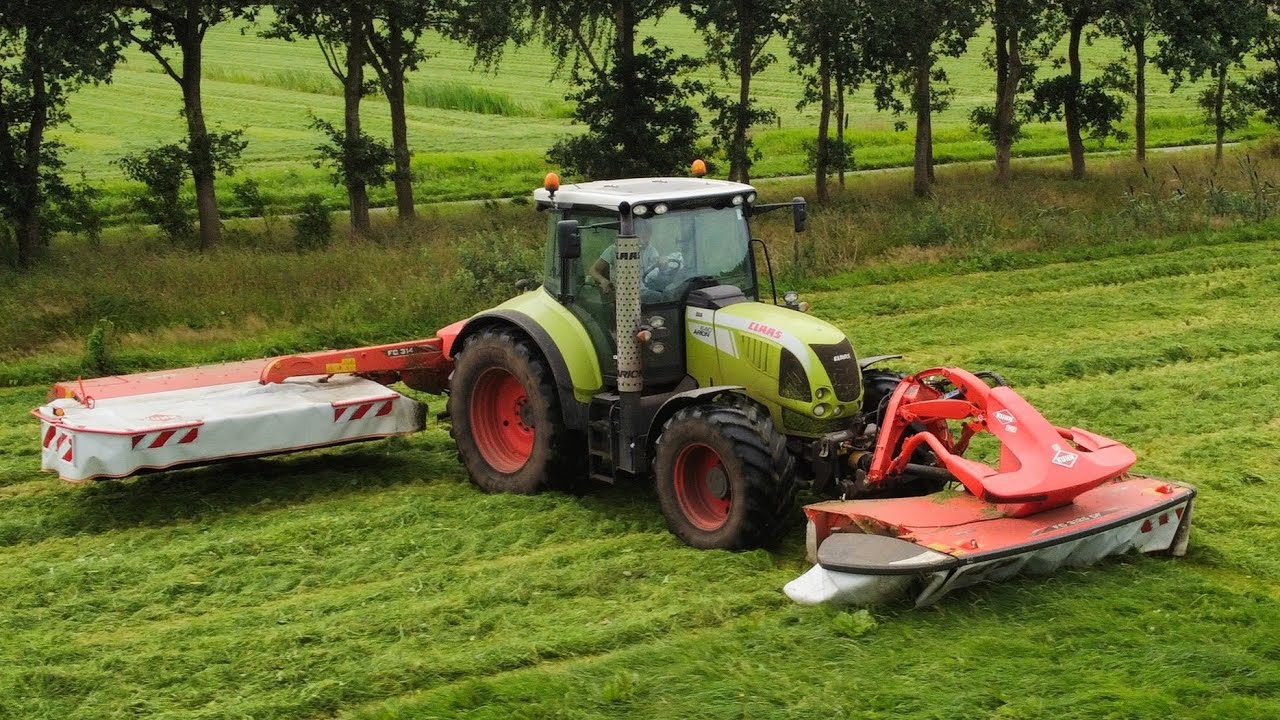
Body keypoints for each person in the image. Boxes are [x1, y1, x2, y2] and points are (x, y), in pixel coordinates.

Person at [589, 236, 679, 295]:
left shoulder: (650, 249)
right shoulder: (614, 249)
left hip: (643, 290)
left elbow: (655, 265)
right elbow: (593, 270)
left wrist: (663, 264)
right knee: (655, 297)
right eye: (642, 233)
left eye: (647, 233)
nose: (645, 238)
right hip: (621, 293)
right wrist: (603, 280)